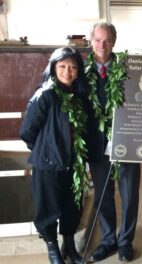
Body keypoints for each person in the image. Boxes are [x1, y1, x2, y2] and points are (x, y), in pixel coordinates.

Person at [19, 46, 89, 264]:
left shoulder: (79, 96)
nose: (67, 71)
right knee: (48, 210)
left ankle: (68, 245)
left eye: (72, 67)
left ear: (78, 70)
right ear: (53, 68)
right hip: (48, 166)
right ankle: (52, 249)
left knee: (72, 208)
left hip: (73, 166)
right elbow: (27, 132)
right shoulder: (45, 95)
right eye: (62, 66)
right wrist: (47, 151)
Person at [85, 22, 141, 262]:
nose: (102, 45)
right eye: (98, 40)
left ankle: (126, 241)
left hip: (128, 140)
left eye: (107, 40)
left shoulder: (129, 69)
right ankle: (108, 240)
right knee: (102, 194)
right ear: (91, 41)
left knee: (130, 193)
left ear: (114, 42)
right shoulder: (82, 70)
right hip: (97, 144)